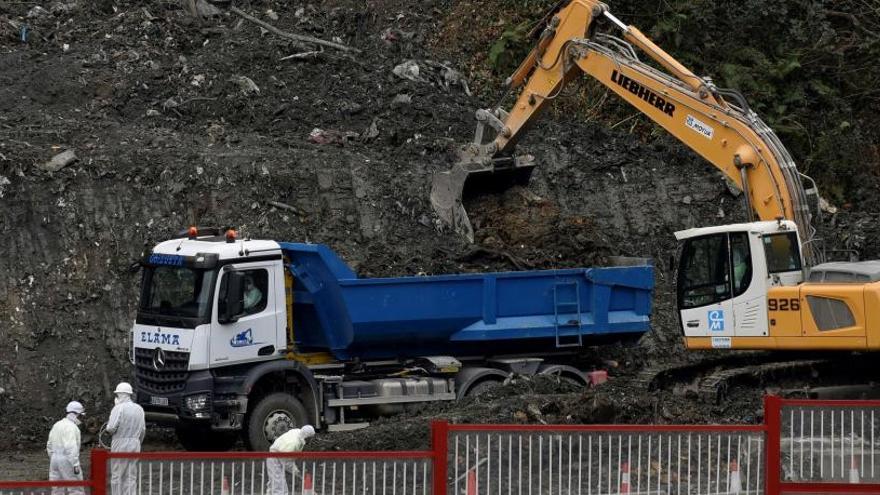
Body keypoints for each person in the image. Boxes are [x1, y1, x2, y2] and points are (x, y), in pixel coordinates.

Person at [106, 382, 145, 495]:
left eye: (118, 394)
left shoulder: (118, 408)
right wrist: (138, 442)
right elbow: (143, 430)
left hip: (120, 443)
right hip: (135, 443)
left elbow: (111, 428)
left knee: (117, 474)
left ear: (121, 394)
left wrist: (108, 429)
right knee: (131, 475)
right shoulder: (139, 409)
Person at [47, 401, 86, 495]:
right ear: (76, 414)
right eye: (81, 415)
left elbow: (49, 445)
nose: (82, 418)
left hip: (54, 459)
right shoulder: (71, 427)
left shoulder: (57, 424)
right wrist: (75, 464)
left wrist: (53, 457)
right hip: (67, 459)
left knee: (57, 489)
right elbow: (71, 447)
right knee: (76, 488)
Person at [266, 425, 316, 495]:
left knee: (274, 483)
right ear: (307, 437)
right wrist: (298, 472)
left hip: (279, 453)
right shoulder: (293, 444)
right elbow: (287, 463)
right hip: (275, 457)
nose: (312, 440)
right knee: (278, 486)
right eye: (311, 438)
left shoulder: (299, 432)